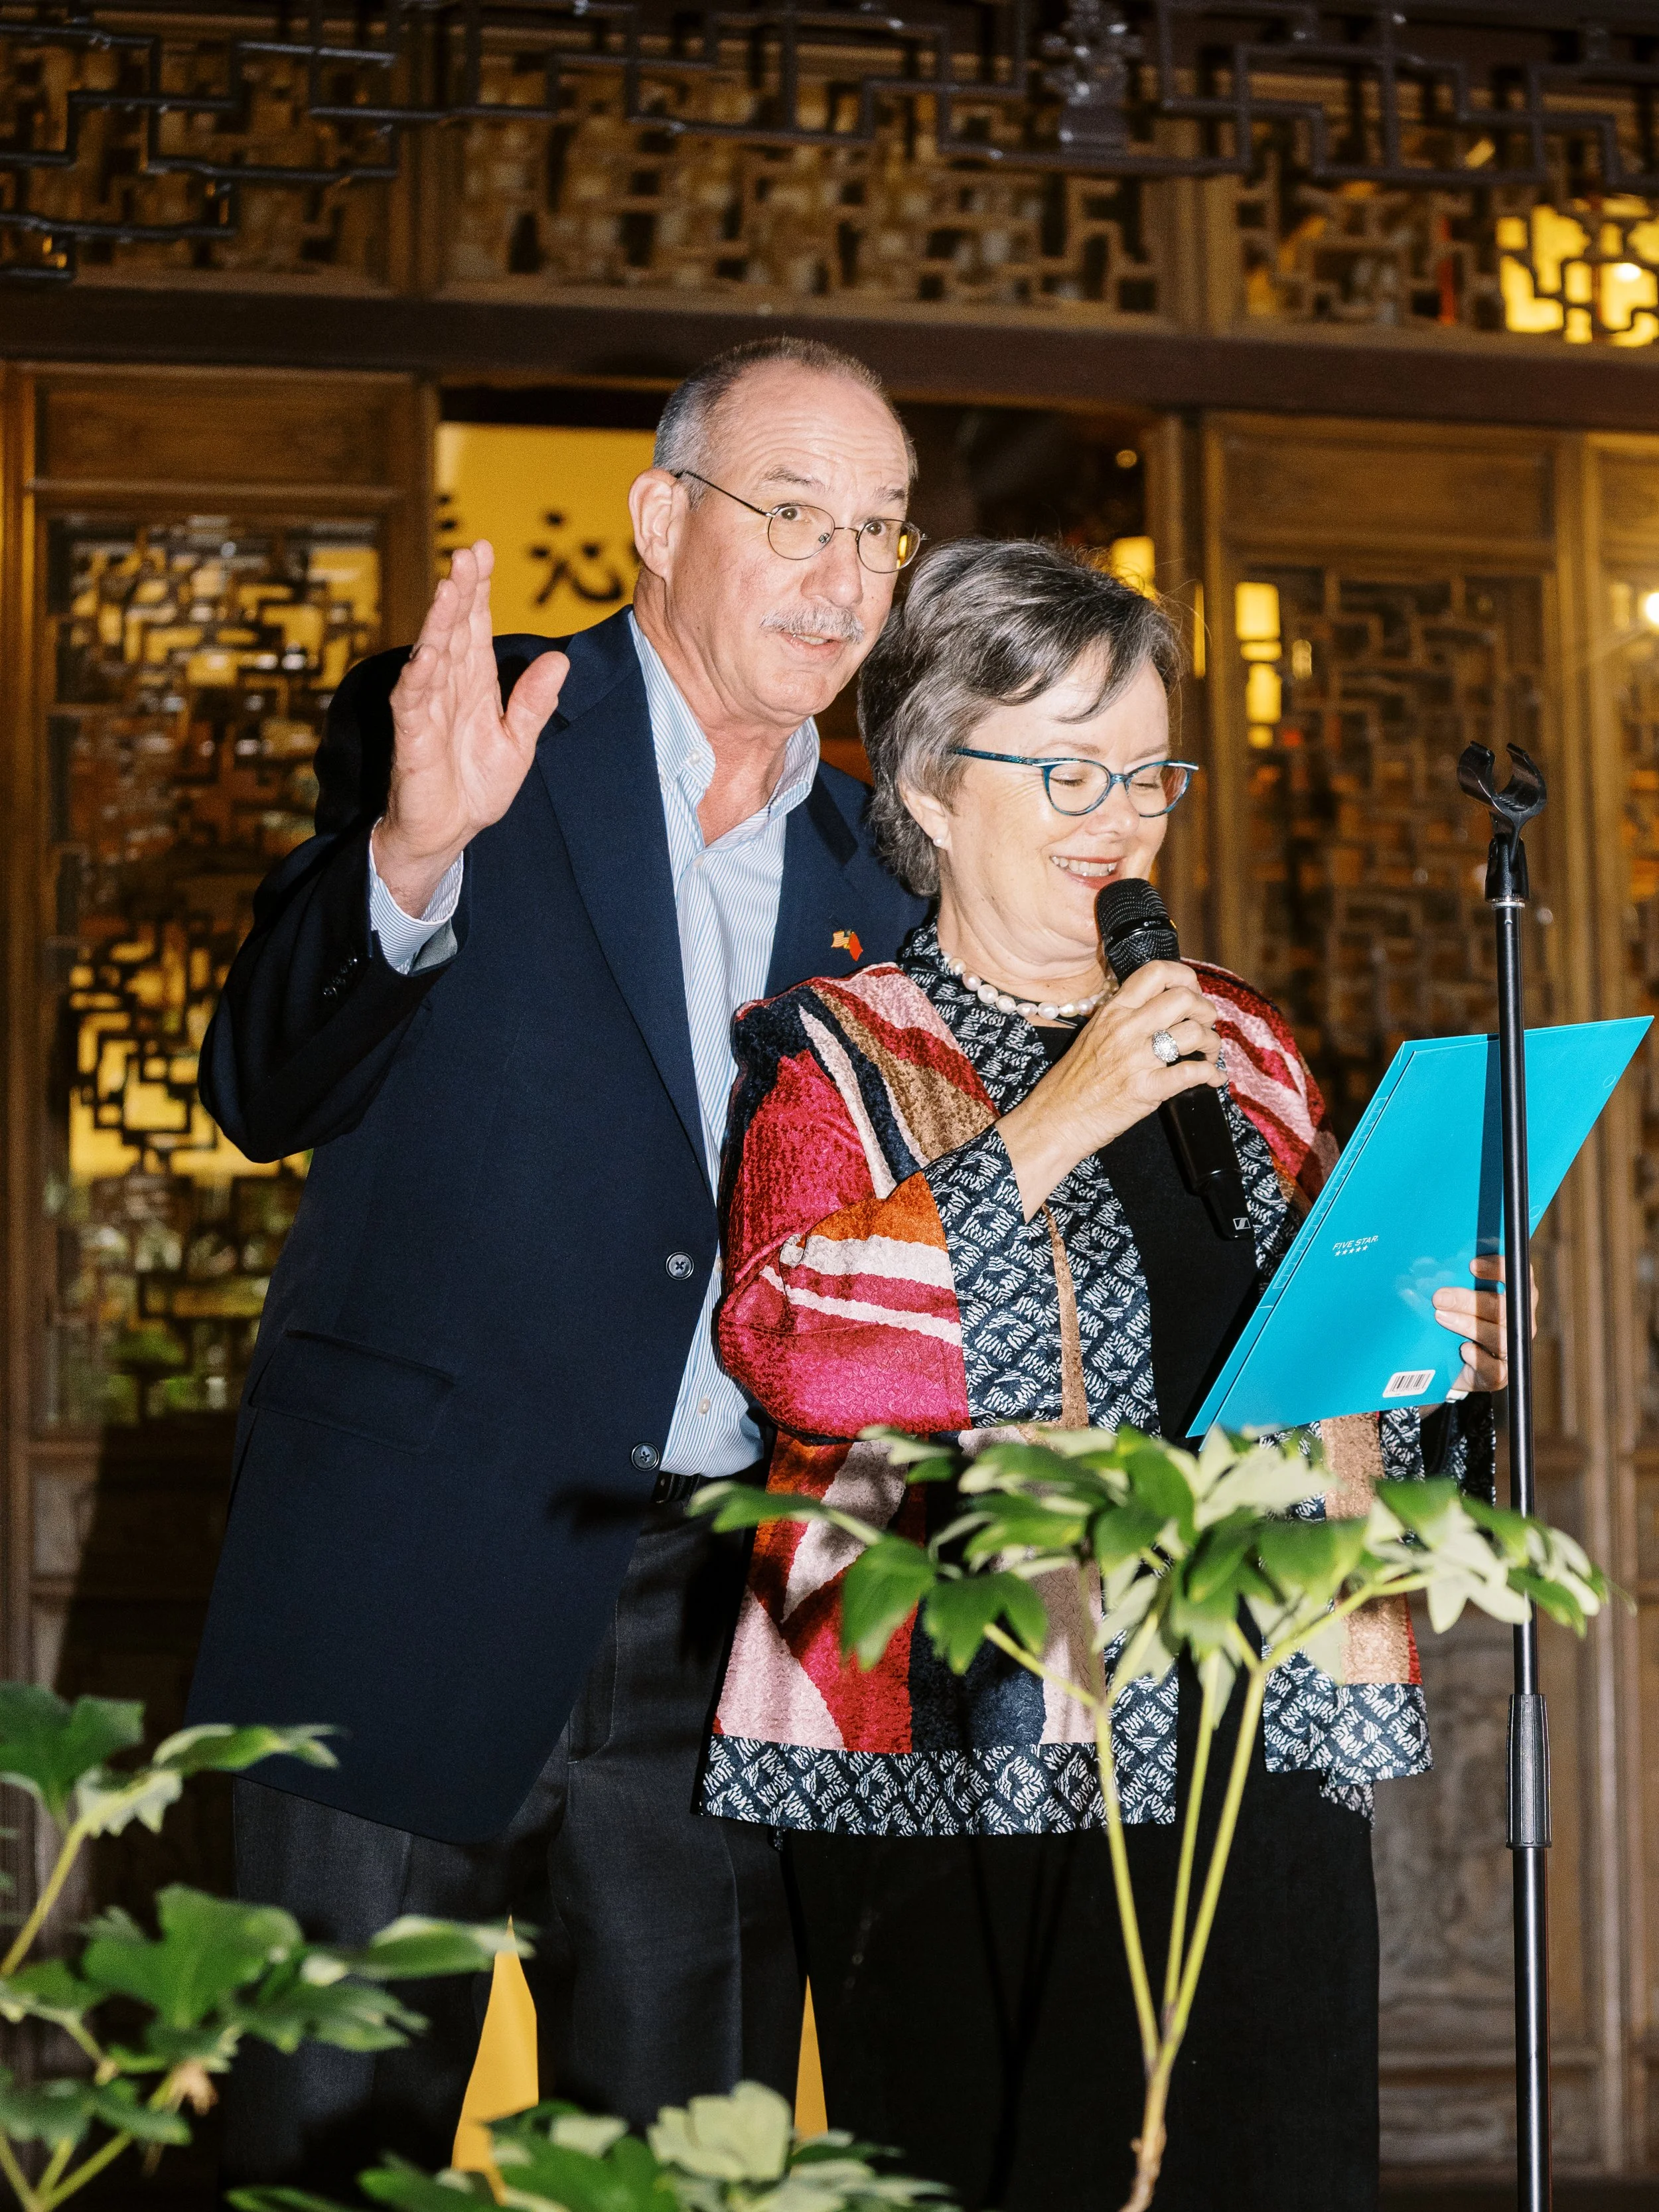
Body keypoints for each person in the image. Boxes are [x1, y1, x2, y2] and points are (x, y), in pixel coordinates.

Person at [183, 336, 928, 2187]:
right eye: (794, 517)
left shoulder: (882, 871)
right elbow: (258, 1088)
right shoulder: (469, 728)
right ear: (659, 520)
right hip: (401, 1574)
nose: (842, 580)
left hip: (722, 1613)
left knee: (686, 2163)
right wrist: (411, 857)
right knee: (317, 2151)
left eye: (881, 534)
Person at [700, 538, 1520, 2212]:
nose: (1122, 817)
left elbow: (1293, 1370)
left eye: (1149, 769)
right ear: (928, 784)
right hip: (957, 1758)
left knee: (1268, 2163)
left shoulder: (1245, 1044)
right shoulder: (836, 1053)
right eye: (1067, 766)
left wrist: (1428, 1358)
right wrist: (1054, 1117)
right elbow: (792, 1340)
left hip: (1253, 1738)